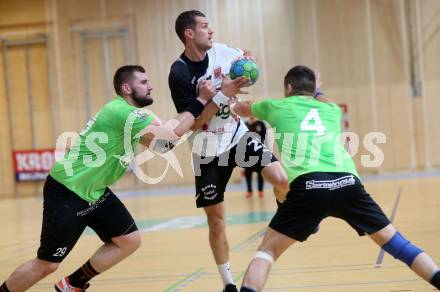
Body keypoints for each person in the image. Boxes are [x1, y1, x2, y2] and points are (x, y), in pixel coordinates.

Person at [0, 64, 247, 292]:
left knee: (128, 240)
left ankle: (72, 284)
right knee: (46, 265)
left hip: (94, 191)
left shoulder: (128, 117)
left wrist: (214, 102)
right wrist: (202, 99)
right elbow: (171, 133)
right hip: (69, 190)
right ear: (126, 88)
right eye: (143, 81)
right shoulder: (124, 113)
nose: (150, 86)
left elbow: (162, 145)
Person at [229, 65, 440, 292]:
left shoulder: (275, 106)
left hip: (308, 187)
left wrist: (227, 98)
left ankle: (307, 221)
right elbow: (323, 99)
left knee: (267, 252)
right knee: (398, 244)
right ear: (314, 88)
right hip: (348, 184)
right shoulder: (332, 110)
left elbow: (242, 109)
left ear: (288, 87)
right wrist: (318, 90)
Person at [168, 10, 289, 292]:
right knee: (216, 221)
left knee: (282, 180)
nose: (211, 31)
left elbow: (247, 58)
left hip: (236, 136)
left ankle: (285, 207)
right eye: (205, 27)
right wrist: (220, 94)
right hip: (206, 149)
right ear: (189, 33)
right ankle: (229, 284)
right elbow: (194, 122)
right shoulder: (180, 73)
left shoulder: (222, 52)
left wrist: (249, 64)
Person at [244, 117, 267, 198]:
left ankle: (260, 190)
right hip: (247, 151)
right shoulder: (245, 124)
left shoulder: (260, 123)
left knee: (261, 171)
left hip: (259, 150)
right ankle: (249, 191)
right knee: (247, 172)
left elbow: (264, 135)